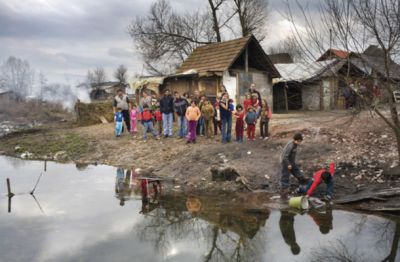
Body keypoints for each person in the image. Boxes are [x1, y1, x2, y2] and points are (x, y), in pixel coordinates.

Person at [280, 133, 307, 199]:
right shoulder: (290, 146)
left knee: (295, 170)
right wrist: (288, 164)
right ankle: (284, 188)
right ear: (296, 140)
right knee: (285, 174)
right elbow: (285, 157)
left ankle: (302, 179)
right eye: (299, 141)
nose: (300, 143)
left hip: (291, 162)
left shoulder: (295, 145)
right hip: (286, 162)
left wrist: (291, 163)